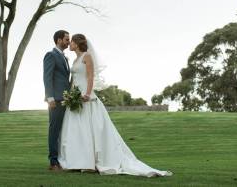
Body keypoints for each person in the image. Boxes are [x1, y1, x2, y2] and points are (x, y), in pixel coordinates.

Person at [57, 33, 172, 177]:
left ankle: (92, 163)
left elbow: (91, 76)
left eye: (72, 41)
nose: (70, 44)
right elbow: (74, 79)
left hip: (87, 98)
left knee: (90, 130)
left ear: (77, 43)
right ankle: (79, 161)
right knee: (77, 131)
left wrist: (87, 94)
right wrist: (71, 95)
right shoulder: (75, 60)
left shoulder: (87, 56)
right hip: (75, 98)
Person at [43, 30, 71, 171]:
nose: (68, 42)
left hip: (66, 99)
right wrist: (50, 98)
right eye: (66, 39)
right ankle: (53, 162)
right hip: (56, 99)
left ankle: (62, 159)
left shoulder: (65, 58)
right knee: (54, 130)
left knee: (63, 130)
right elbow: (47, 77)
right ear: (59, 40)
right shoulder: (51, 55)